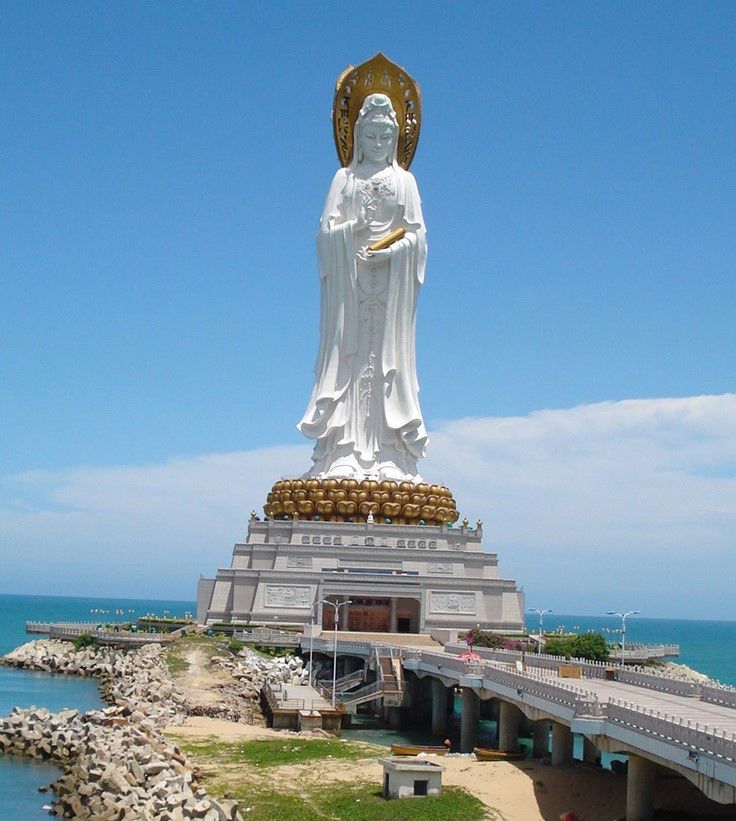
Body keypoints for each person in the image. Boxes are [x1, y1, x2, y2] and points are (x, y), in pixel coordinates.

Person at [298, 93, 428, 481]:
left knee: (387, 363)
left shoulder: (405, 182)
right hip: (350, 287)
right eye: (370, 137)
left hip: (389, 287)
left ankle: (391, 453)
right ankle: (343, 450)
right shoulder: (344, 179)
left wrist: (395, 252)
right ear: (357, 138)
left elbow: (419, 238)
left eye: (385, 138)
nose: (377, 145)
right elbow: (324, 236)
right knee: (350, 360)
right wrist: (350, 232)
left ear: (395, 140)